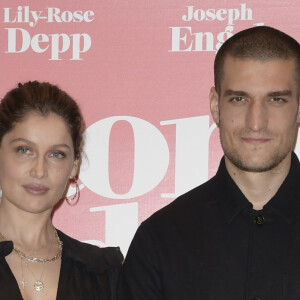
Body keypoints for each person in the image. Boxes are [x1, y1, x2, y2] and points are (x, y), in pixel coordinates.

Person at [117, 26, 300, 299]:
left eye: (276, 99)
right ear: (216, 106)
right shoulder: (160, 239)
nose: (256, 122)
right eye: (239, 99)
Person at [0, 81, 123, 300]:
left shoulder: (103, 273)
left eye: (56, 154)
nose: (39, 171)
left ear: (74, 165)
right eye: (24, 150)